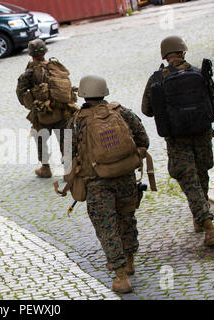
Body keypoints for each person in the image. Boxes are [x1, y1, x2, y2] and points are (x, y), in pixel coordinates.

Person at [65, 75, 150, 293]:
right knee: (127, 217)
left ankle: (121, 276)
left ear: (82, 93)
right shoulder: (121, 112)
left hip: (96, 183)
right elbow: (143, 139)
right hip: (125, 176)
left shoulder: (74, 122)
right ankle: (130, 261)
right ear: (104, 91)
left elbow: (66, 157)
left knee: (107, 226)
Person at [142, 35, 214, 247]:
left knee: (188, 180)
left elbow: (146, 110)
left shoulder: (157, 78)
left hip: (177, 140)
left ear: (165, 55)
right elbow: (213, 105)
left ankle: (207, 225)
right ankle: (200, 217)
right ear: (182, 52)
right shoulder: (198, 72)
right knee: (201, 173)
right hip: (202, 134)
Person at [16, 39, 78, 178]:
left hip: (42, 114)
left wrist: (30, 104)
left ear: (30, 54)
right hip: (62, 111)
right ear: (45, 52)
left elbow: (20, 92)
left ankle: (45, 168)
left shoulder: (29, 72)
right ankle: (68, 172)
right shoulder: (55, 66)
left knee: (40, 138)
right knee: (65, 140)